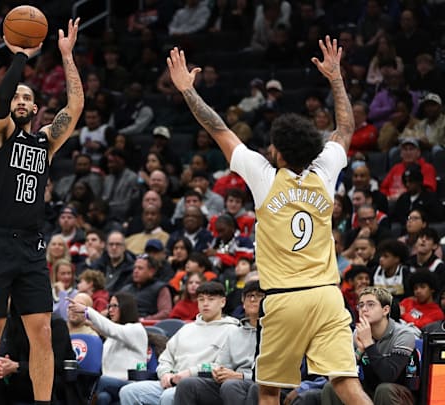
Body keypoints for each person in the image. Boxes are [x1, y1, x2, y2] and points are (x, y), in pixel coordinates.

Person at [167, 37, 372, 404]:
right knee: (346, 384)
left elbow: (218, 128)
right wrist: (336, 79)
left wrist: (187, 91)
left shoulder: (264, 176)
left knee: (268, 392)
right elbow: (344, 129)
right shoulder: (324, 171)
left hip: (285, 300)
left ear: (277, 148)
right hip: (327, 295)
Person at [0, 18, 84, 405]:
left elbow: (76, 106)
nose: (19, 101)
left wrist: (66, 56)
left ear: (35, 108)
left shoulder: (45, 142)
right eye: (16, 96)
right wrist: (21, 56)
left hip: (31, 246)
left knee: (42, 331)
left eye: (26, 98)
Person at [119, 281, 239, 405]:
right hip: (171, 382)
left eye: (211, 299)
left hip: (202, 386)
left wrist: (190, 372)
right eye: (201, 299)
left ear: (223, 302)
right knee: (128, 391)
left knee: (169, 396)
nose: (205, 304)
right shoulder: (186, 329)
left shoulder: (232, 330)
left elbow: (223, 366)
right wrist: (165, 373)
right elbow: (165, 358)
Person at [321, 286, 417, 404]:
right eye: (361, 305)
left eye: (370, 304)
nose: (364, 309)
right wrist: (359, 351)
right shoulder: (358, 333)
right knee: (333, 386)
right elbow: (340, 372)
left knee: (384, 389)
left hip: (400, 394)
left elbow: (388, 376)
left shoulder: (404, 335)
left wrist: (369, 344)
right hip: (370, 390)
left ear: (385, 310)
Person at [173, 281, 265, 404]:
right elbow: (221, 364)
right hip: (231, 381)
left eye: (258, 296)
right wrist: (219, 372)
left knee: (231, 386)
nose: (253, 299)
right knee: (188, 384)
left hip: (254, 381)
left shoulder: (275, 331)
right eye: (249, 296)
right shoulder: (235, 333)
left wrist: (242, 376)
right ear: (243, 302)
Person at [67, 291, 148, 405]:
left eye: (115, 306)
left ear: (126, 307)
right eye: (109, 306)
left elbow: (111, 329)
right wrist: (87, 321)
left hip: (131, 384)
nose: (110, 310)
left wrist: (87, 311)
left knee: (100, 380)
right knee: (103, 398)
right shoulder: (112, 338)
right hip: (110, 386)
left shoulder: (136, 329)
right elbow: (109, 330)